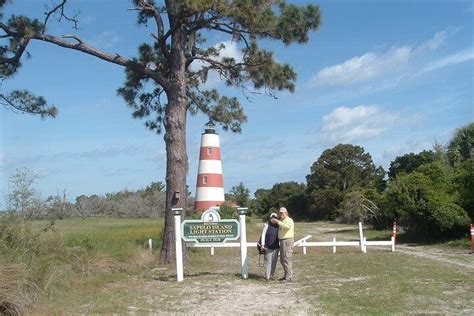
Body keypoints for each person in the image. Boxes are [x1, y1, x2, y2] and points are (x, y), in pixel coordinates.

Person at [271, 207, 294, 282]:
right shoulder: (282, 220)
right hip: (282, 241)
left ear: (286, 213)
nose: (281, 214)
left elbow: (287, 227)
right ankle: (286, 275)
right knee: (282, 259)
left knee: (287, 259)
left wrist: (278, 221)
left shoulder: (289, 220)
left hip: (287, 240)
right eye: (280, 213)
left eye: (283, 213)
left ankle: (289, 277)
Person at [260, 212, 280, 281]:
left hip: (276, 247)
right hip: (268, 247)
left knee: (274, 262)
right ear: (270, 218)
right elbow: (263, 235)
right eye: (272, 218)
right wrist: (262, 245)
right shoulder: (266, 225)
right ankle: (267, 277)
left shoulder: (279, 226)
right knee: (268, 262)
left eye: (275, 218)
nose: (274, 219)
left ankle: (271, 276)